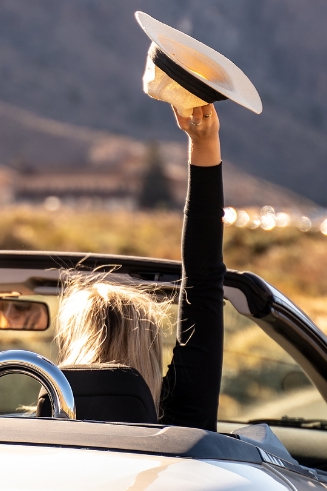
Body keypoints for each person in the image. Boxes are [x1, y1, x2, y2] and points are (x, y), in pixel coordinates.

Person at [47, 103, 226, 431]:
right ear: (149, 346)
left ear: (74, 344)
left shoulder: (39, 432)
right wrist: (204, 143)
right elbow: (204, 284)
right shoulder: (181, 424)